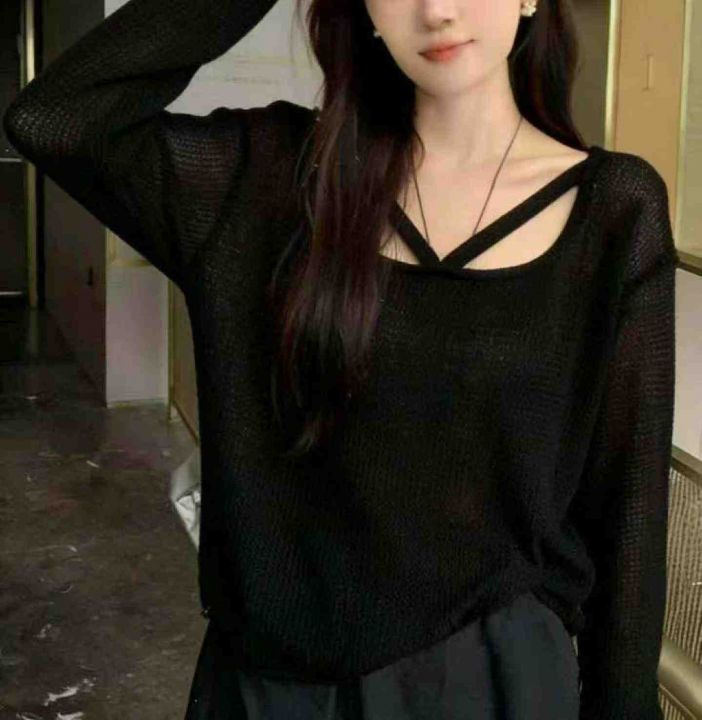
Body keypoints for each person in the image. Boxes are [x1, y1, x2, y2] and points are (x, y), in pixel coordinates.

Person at [3, 0, 678, 717]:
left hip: (493, 679)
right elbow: (56, 119)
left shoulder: (614, 210)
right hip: (273, 684)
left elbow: (627, 512)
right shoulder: (267, 179)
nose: (437, 11)